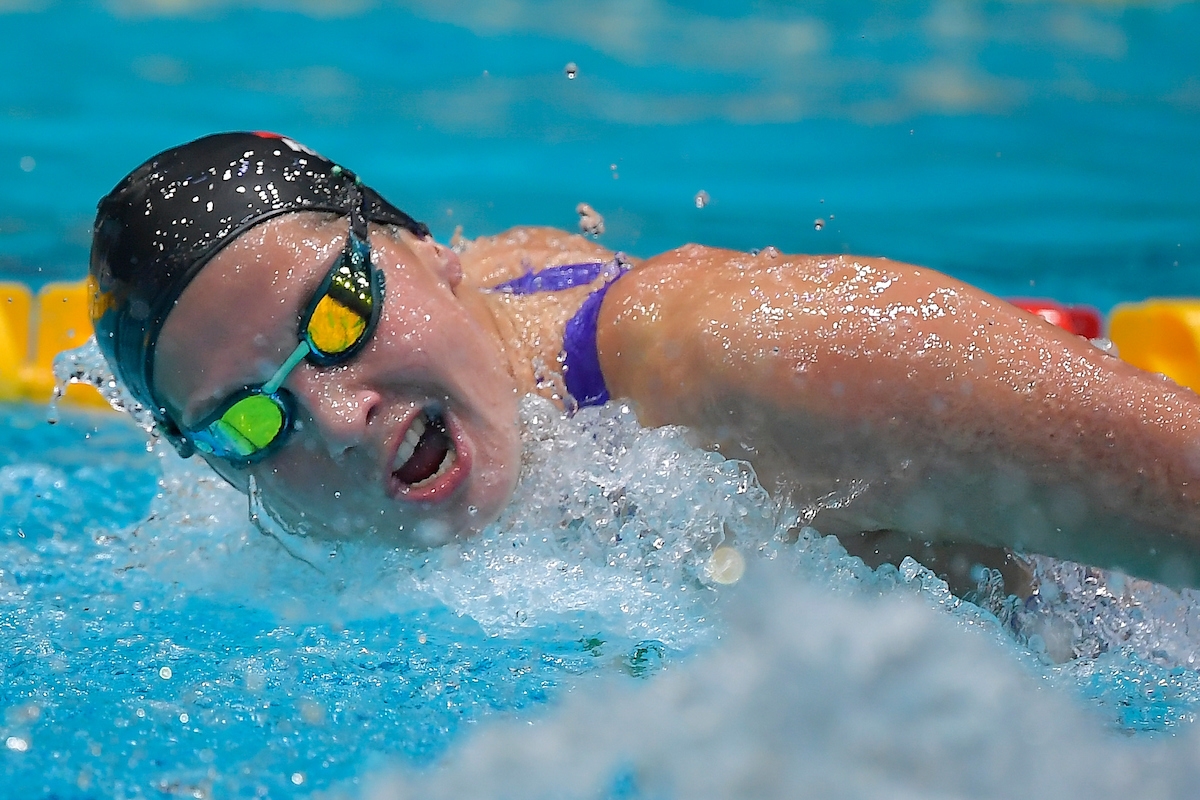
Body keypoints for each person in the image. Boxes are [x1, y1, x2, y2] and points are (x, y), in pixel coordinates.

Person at [90, 132, 1200, 591]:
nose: (331, 417)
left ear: (431, 251)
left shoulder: (749, 360)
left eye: (334, 320)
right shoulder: (470, 356)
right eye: (249, 421)